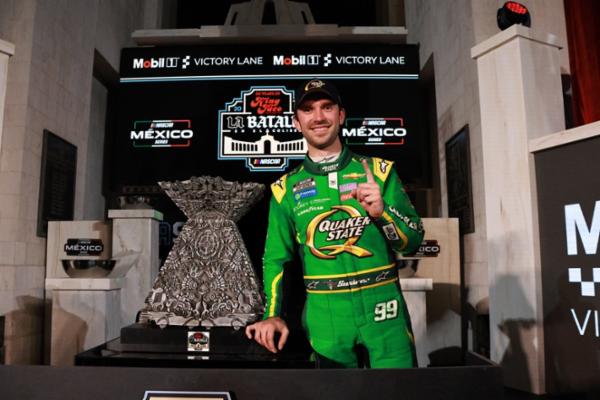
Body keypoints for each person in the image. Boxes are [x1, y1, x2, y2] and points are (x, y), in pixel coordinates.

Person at [245, 78, 424, 368]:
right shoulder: (284, 189)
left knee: (398, 392)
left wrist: (382, 213)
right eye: (308, 109)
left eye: (327, 107)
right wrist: (272, 314)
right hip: (325, 314)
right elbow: (276, 259)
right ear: (296, 122)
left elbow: (413, 240)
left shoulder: (379, 172)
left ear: (340, 116)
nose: (318, 117)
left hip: (384, 308)